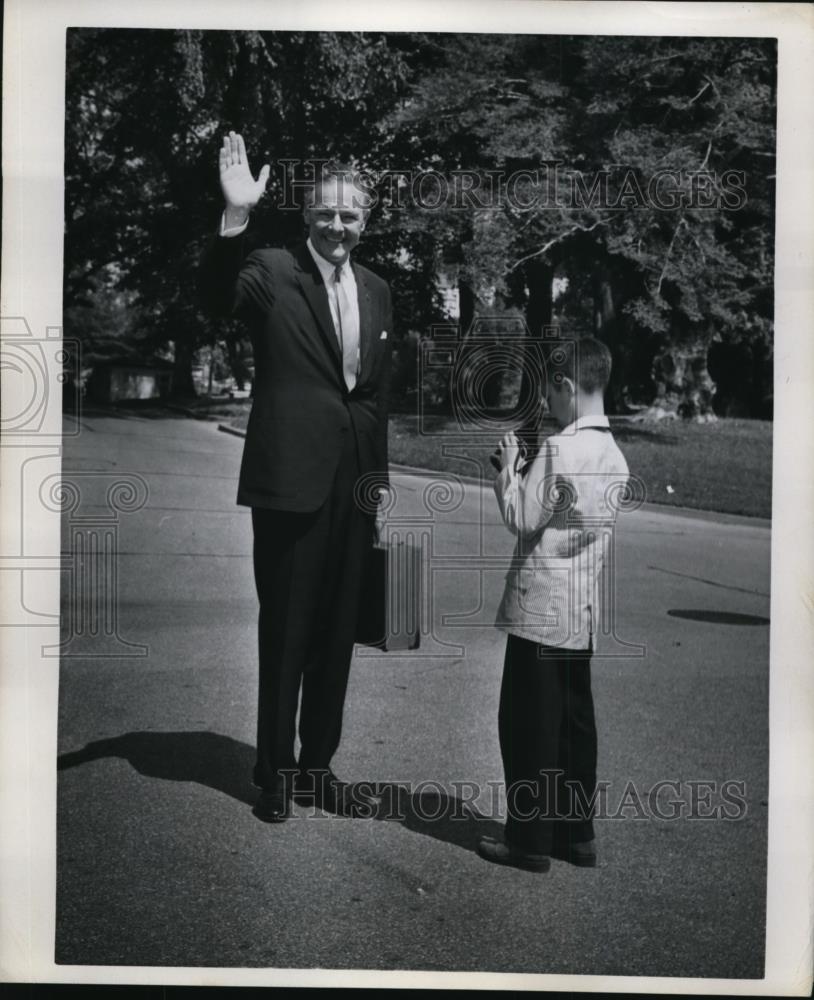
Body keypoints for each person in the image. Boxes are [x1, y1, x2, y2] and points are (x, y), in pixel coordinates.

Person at [199, 131, 393, 822]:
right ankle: (273, 771)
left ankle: (318, 768)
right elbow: (219, 295)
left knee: (338, 632)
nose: (337, 227)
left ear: (365, 222)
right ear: (307, 215)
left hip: (354, 486)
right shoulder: (272, 269)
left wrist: (378, 486)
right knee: (287, 627)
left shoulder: (377, 289)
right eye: (326, 214)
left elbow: (372, 397)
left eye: (350, 216)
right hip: (290, 480)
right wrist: (234, 217)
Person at [479, 336, 630, 872]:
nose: (547, 403)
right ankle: (575, 833)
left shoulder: (560, 449)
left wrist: (510, 469)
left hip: (538, 607)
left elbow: (523, 518)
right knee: (573, 722)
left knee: (526, 724)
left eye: (550, 391)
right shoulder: (615, 457)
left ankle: (528, 841)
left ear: (567, 386)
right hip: (579, 610)